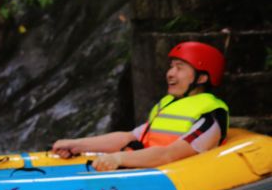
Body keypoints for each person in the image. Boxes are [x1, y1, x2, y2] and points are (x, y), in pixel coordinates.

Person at [52, 41, 229, 171]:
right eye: (171, 67)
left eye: (180, 68)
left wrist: (119, 158)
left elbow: (168, 155)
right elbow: (128, 137)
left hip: (174, 182)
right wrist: (77, 145)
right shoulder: (168, 105)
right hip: (149, 171)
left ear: (201, 78)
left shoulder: (209, 119)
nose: (170, 74)